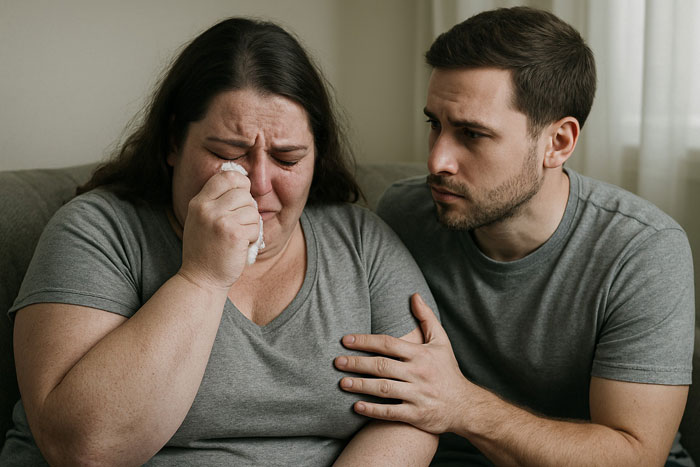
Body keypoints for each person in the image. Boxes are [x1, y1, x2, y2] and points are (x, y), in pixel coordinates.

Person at [1, 18, 439, 466]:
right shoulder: (97, 232)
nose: (259, 184)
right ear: (173, 143)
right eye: (228, 155)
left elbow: (416, 412)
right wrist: (203, 278)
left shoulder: (361, 241)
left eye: (288, 157)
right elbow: (83, 449)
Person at [334, 6, 695, 466]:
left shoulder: (642, 249)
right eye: (435, 125)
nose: (437, 161)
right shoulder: (404, 214)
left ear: (558, 143)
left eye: (472, 134)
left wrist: (463, 405)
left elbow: (634, 455)